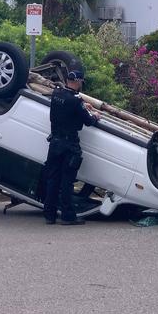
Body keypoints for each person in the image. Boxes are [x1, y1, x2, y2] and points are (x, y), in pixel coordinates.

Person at [42, 69, 100, 225]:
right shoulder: (75, 101)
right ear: (78, 81)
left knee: (52, 179)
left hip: (54, 143)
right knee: (67, 181)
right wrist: (95, 116)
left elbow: (68, 107)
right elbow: (88, 121)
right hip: (69, 145)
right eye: (81, 82)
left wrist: (82, 105)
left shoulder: (56, 94)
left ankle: (49, 215)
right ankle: (68, 216)